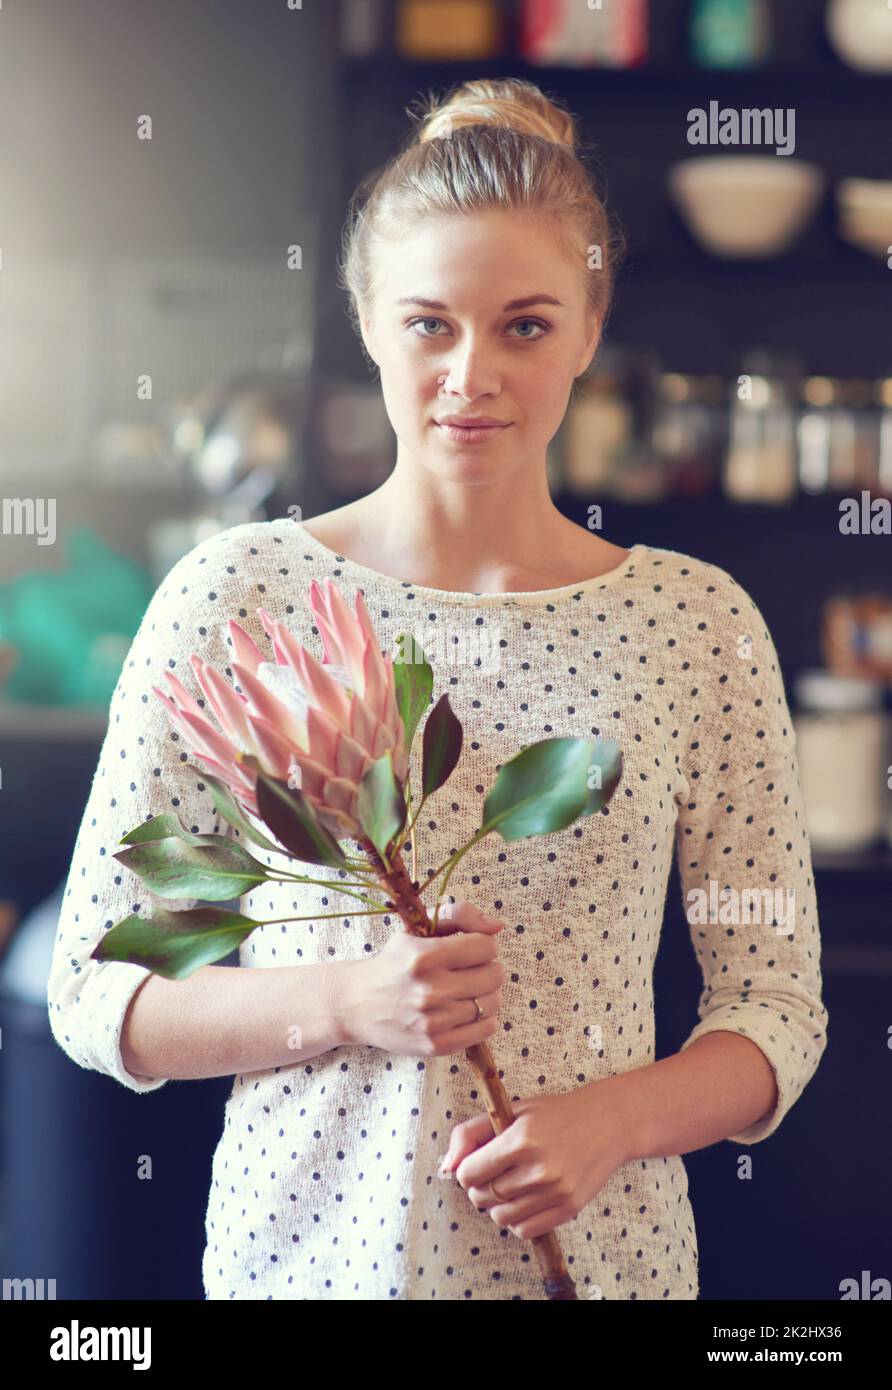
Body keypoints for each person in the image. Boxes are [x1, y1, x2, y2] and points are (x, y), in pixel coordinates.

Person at [47, 78, 827, 1301]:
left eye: (524, 325)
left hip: (605, 1272)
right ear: (366, 318)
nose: (473, 373)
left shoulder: (697, 621)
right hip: (299, 1268)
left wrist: (608, 1122)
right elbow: (95, 989)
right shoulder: (238, 594)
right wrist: (349, 998)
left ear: (588, 323)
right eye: (429, 324)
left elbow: (775, 1005)